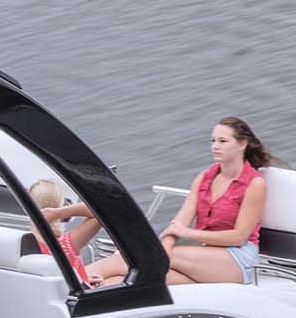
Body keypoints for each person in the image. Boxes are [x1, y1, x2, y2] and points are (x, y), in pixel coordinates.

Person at [87, 117, 274, 286]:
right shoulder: (205, 178)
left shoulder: (254, 183)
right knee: (116, 281)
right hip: (205, 258)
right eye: (213, 141)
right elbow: (178, 223)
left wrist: (186, 234)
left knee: (134, 258)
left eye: (223, 141)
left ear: (242, 144)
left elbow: (238, 237)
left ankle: (77, 278)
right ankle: (85, 291)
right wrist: (164, 249)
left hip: (237, 259)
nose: (215, 146)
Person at [26, 179, 91, 284]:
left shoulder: (26, 242)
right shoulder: (67, 244)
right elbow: (101, 211)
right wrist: (58, 213)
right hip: (76, 288)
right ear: (62, 204)